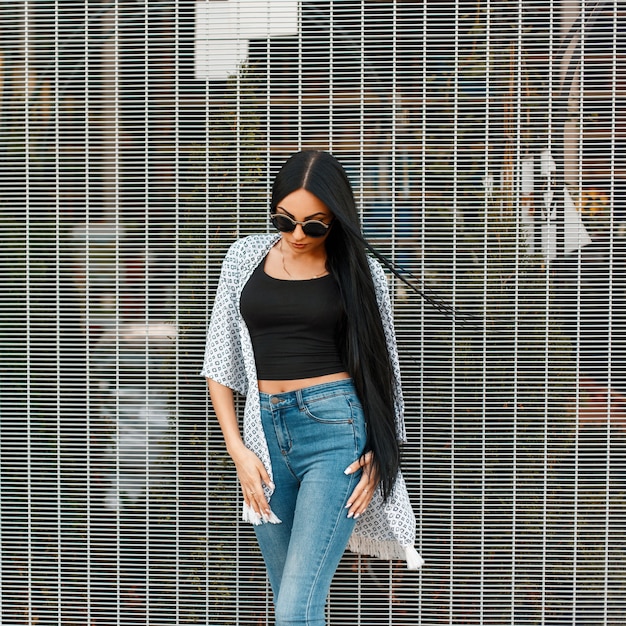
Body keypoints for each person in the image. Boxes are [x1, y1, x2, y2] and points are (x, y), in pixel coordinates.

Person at [201, 150, 423, 626]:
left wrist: (383, 451)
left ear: (336, 220)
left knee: (297, 608)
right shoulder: (244, 256)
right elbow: (219, 362)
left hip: (335, 433)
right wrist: (237, 450)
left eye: (314, 225)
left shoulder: (360, 273)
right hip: (262, 434)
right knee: (290, 600)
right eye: (286, 220)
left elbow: (386, 373)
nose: (298, 235)